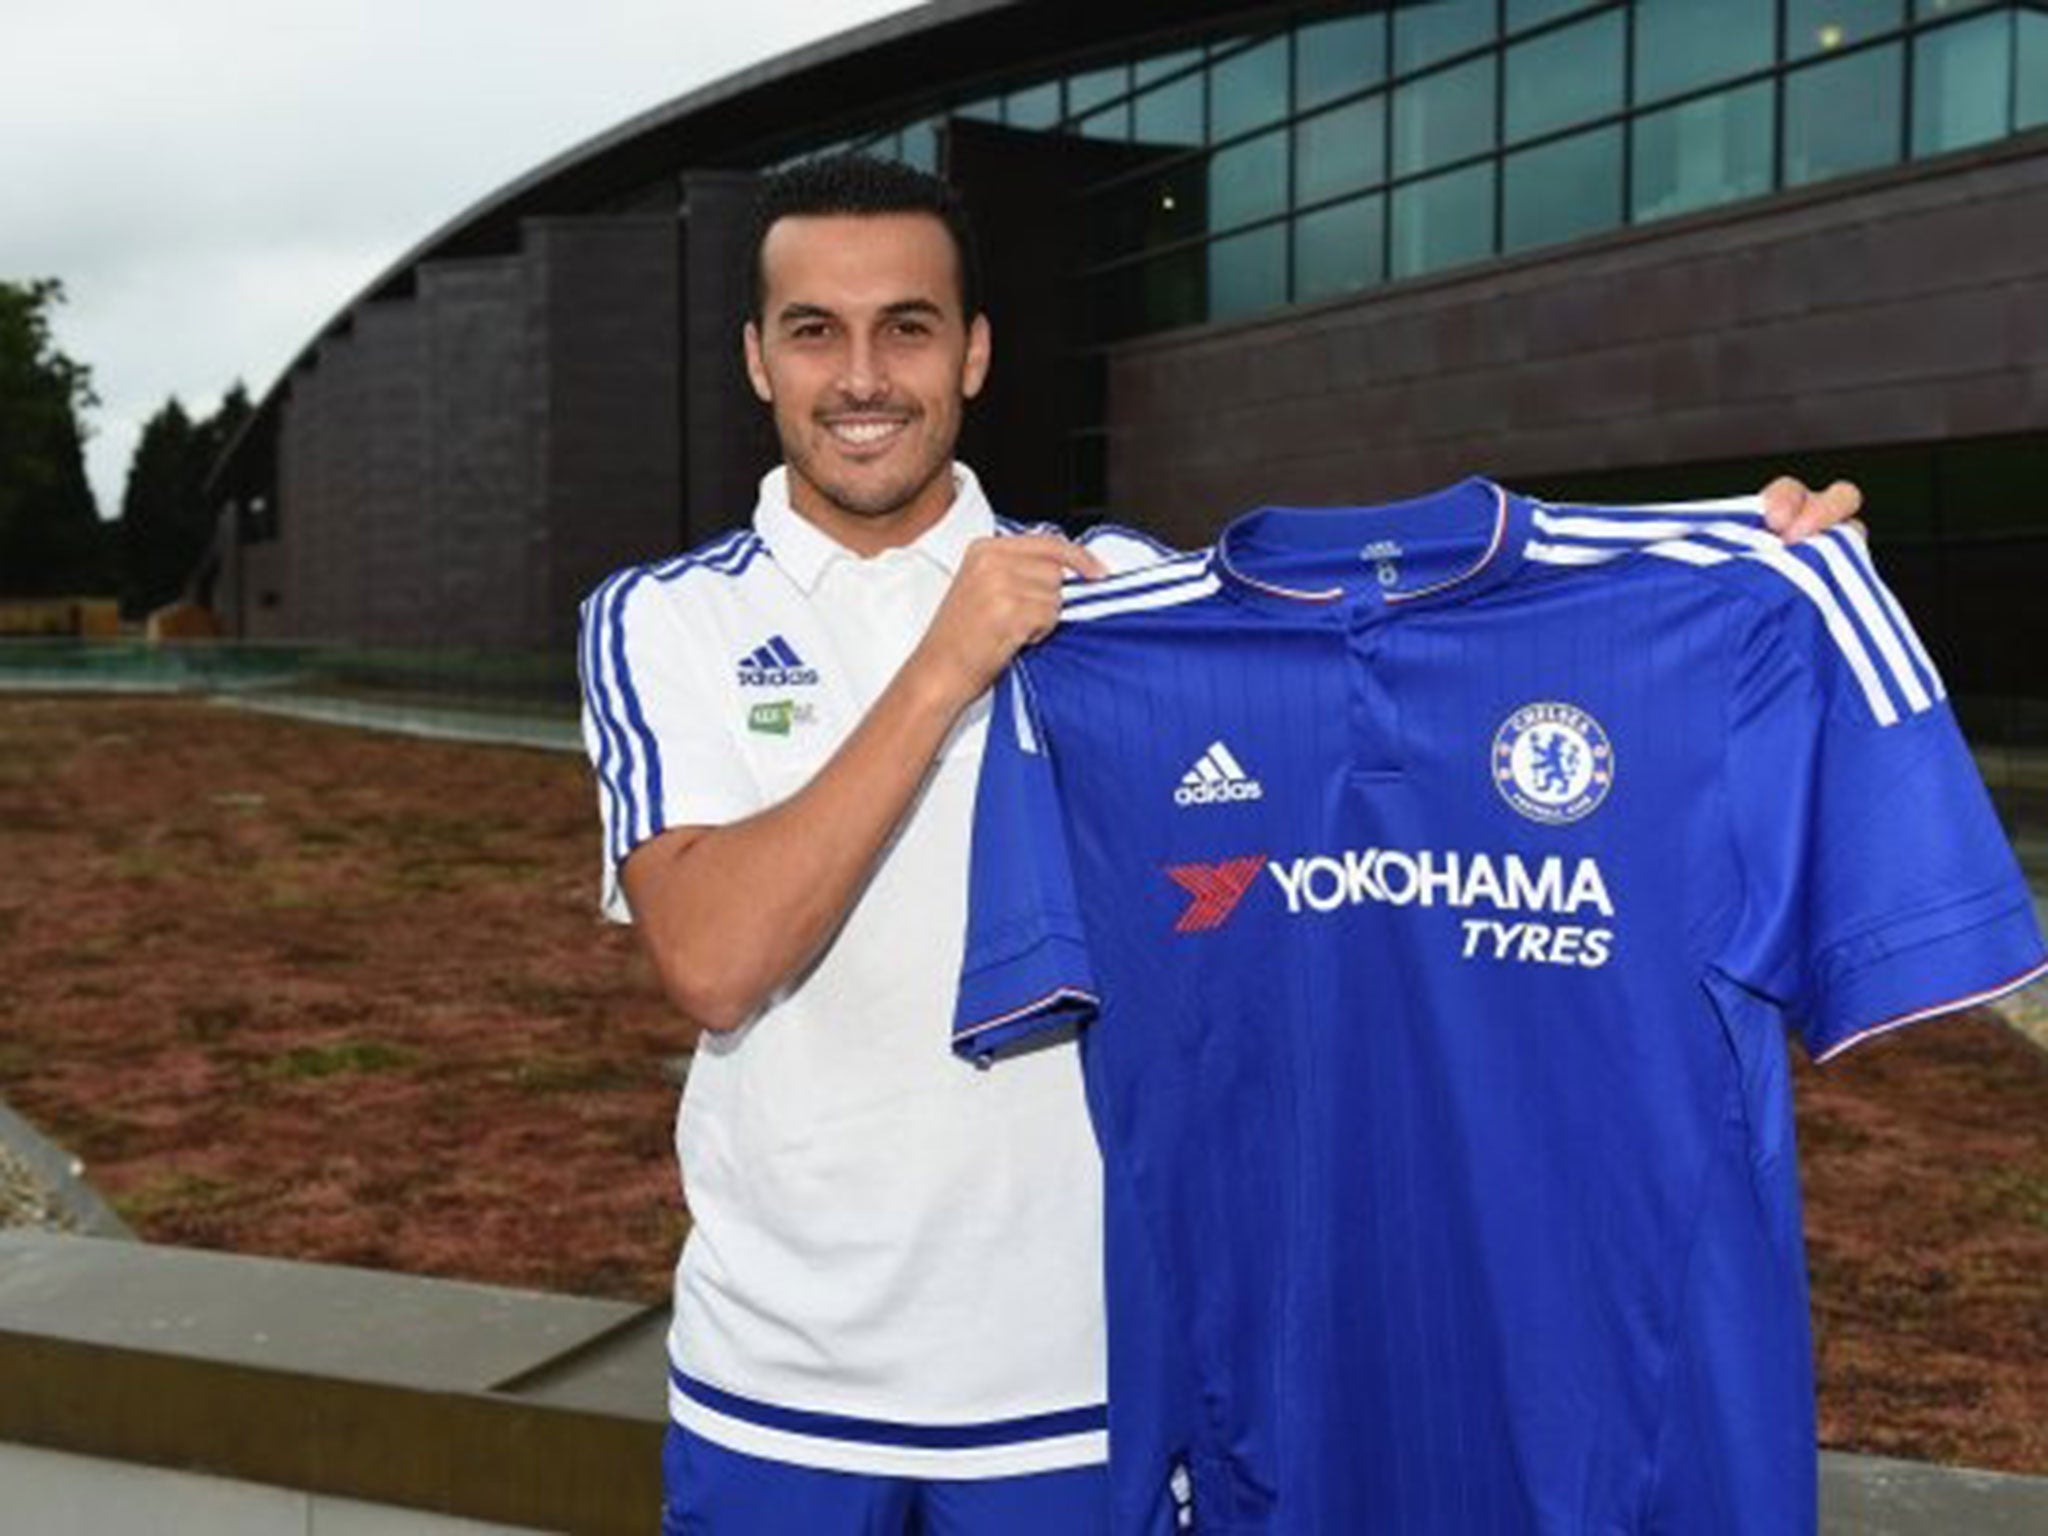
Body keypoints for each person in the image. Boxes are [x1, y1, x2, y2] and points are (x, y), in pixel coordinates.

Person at [577, 154, 1865, 1536]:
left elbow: (1415, 626)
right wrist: (946, 663)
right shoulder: (665, 620)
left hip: (1080, 1384)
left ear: (976, 351)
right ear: (757, 361)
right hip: (778, 1380)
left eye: (908, 325)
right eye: (814, 331)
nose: (864, 375)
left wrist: (1735, 559)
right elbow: (714, 961)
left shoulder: (1122, 598)